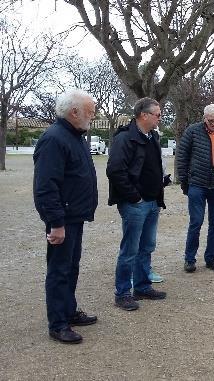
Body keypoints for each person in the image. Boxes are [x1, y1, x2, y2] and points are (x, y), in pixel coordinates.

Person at [33, 89, 98, 344]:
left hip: (75, 215)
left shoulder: (75, 136)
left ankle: (69, 311)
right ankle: (58, 324)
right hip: (63, 218)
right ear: (74, 112)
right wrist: (56, 223)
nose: (92, 116)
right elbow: (46, 186)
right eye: (90, 112)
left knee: (71, 268)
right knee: (59, 270)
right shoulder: (54, 139)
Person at [107, 97, 167, 311]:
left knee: (146, 247)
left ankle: (142, 286)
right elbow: (115, 171)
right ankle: (122, 293)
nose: (160, 118)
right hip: (135, 204)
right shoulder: (125, 138)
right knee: (130, 250)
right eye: (157, 114)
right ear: (144, 115)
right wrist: (134, 196)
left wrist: (160, 186)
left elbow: (151, 166)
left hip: (152, 203)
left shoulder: (152, 137)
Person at [177, 104, 214, 273]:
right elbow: (182, 156)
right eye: (210, 120)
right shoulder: (193, 131)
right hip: (197, 184)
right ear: (204, 119)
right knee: (196, 222)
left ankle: (211, 258)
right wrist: (184, 180)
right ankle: (189, 259)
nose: (213, 123)